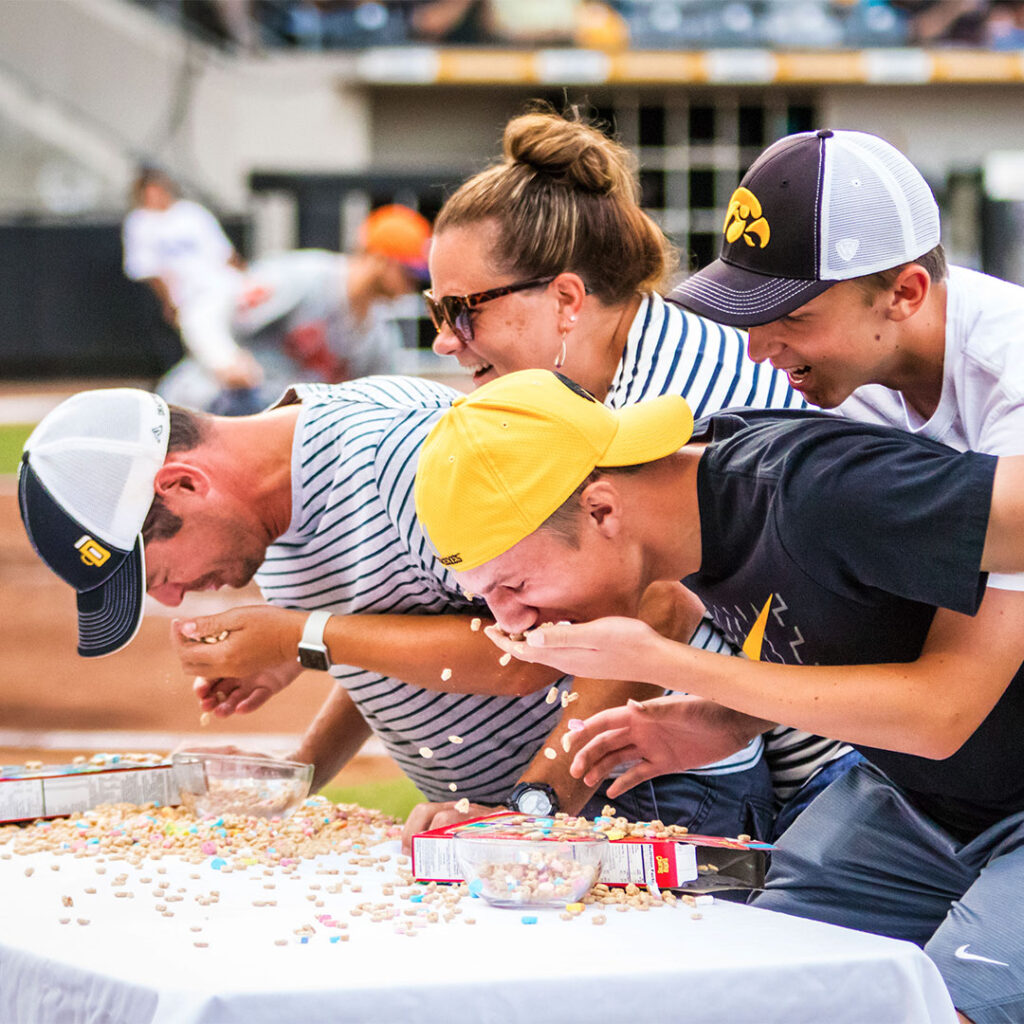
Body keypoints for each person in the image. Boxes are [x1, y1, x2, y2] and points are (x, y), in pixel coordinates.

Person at [186, 104, 805, 842]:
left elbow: (659, 613)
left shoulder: (681, 391)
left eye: (463, 310)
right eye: (434, 309)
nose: (446, 340)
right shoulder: (603, 380)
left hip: (812, 762)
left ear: (567, 300)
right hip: (745, 742)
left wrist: (526, 808)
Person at [412, 368, 1024, 1024]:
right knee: (746, 988)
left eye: (515, 584)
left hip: (979, 786)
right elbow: (860, 628)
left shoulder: (818, 487)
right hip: (916, 797)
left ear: (602, 509)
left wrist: (671, 664)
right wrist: (729, 721)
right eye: (488, 599)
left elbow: (943, 715)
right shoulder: (687, 515)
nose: (511, 623)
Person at [669, 126, 1024, 834]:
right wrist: (733, 717)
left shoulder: (1006, 362)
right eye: (751, 313)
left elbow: (950, 699)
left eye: (792, 316)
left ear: (905, 293)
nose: (761, 349)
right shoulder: (853, 374)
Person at [123, 167, 429, 414]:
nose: (415, 285)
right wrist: (224, 359)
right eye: (410, 272)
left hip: (264, 433)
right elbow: (204, 310)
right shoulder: (307, 277)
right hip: (204, 410)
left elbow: (388, 409)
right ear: (380, 259)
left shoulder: (377, 338)